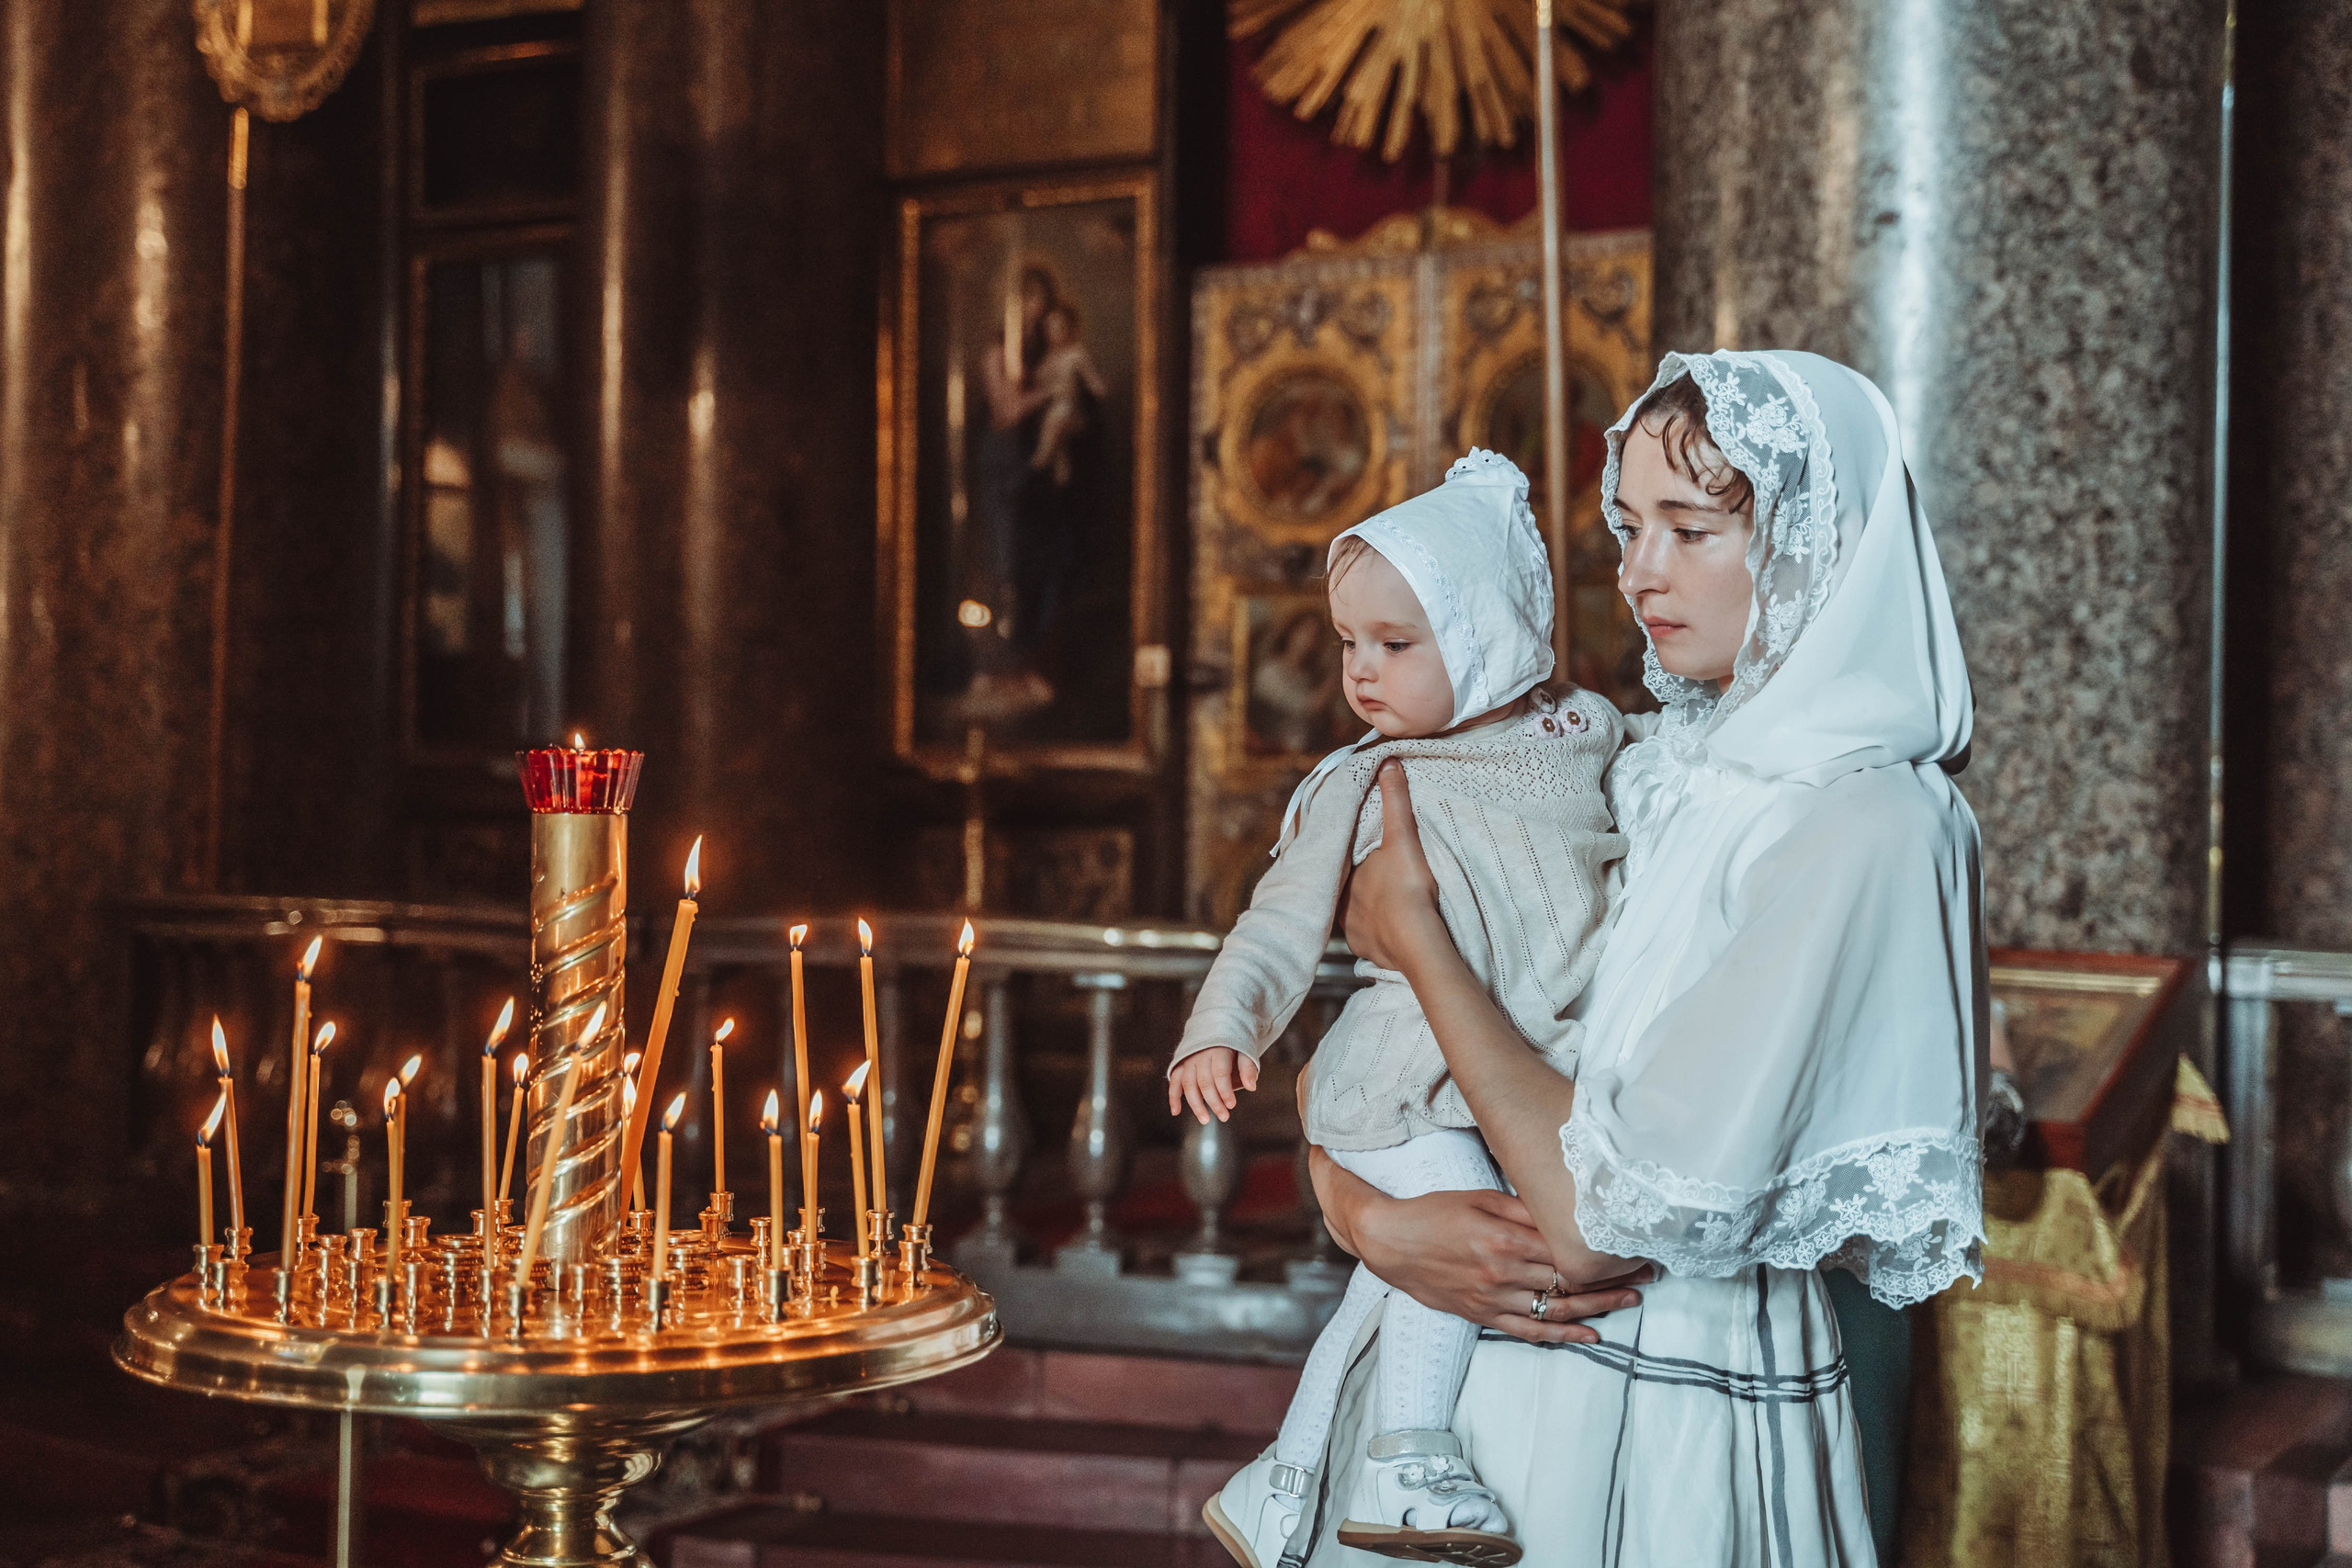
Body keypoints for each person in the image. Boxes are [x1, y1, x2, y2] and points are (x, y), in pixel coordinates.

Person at [1303, 351, 1987, 1566]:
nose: (1640, 570)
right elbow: (1417, 1067)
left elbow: (1597, 1223)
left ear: (1819, 539)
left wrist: (1415, 932)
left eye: (1693, 525)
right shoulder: (1651, 768)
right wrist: (1363, 1211)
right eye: (1628, 525)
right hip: (1477, 1384)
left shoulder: (1865, 820)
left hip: (1676, 1405)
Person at [1170, 450, 1627, 1567]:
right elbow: (1275, 925)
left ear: (1491, 636)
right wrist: (1222, 1028)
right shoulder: (1362, 779)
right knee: (1469, 1228)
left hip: (1521, 1066)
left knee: (1382, 1291)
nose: (1361, 673)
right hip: (1404, 1077)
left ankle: (1282, 1481)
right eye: (1347, 646)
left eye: (1395, 644)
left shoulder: (1583, 735)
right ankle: (1405, 1457)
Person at [1028, 303, 1107, 487]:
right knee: (1058, 443)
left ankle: (1040, 459)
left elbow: (1090, 376)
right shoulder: (1049, 356)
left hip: (1070, 408)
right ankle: (1061, 474)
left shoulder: (1076, 353)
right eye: (1051, 328)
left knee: (1055, 422)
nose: (1054, 333)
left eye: (1059, 328)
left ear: (1069, 329)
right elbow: (1039, 379)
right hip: (1052, 404)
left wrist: (1098, 388)